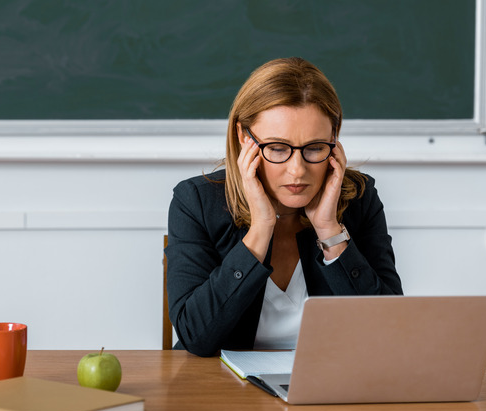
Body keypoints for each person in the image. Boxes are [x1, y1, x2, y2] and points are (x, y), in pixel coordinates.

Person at [165, 57, 402, 357]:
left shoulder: (359, 199)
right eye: (277, 148)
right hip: (224, 391)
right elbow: (196, 339)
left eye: (315, 148)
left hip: (328, 388)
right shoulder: (196, 202)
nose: (297, 170)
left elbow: (387, 331)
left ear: (334, 138)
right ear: (244, 138)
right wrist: (261, 230)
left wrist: (330, 232)